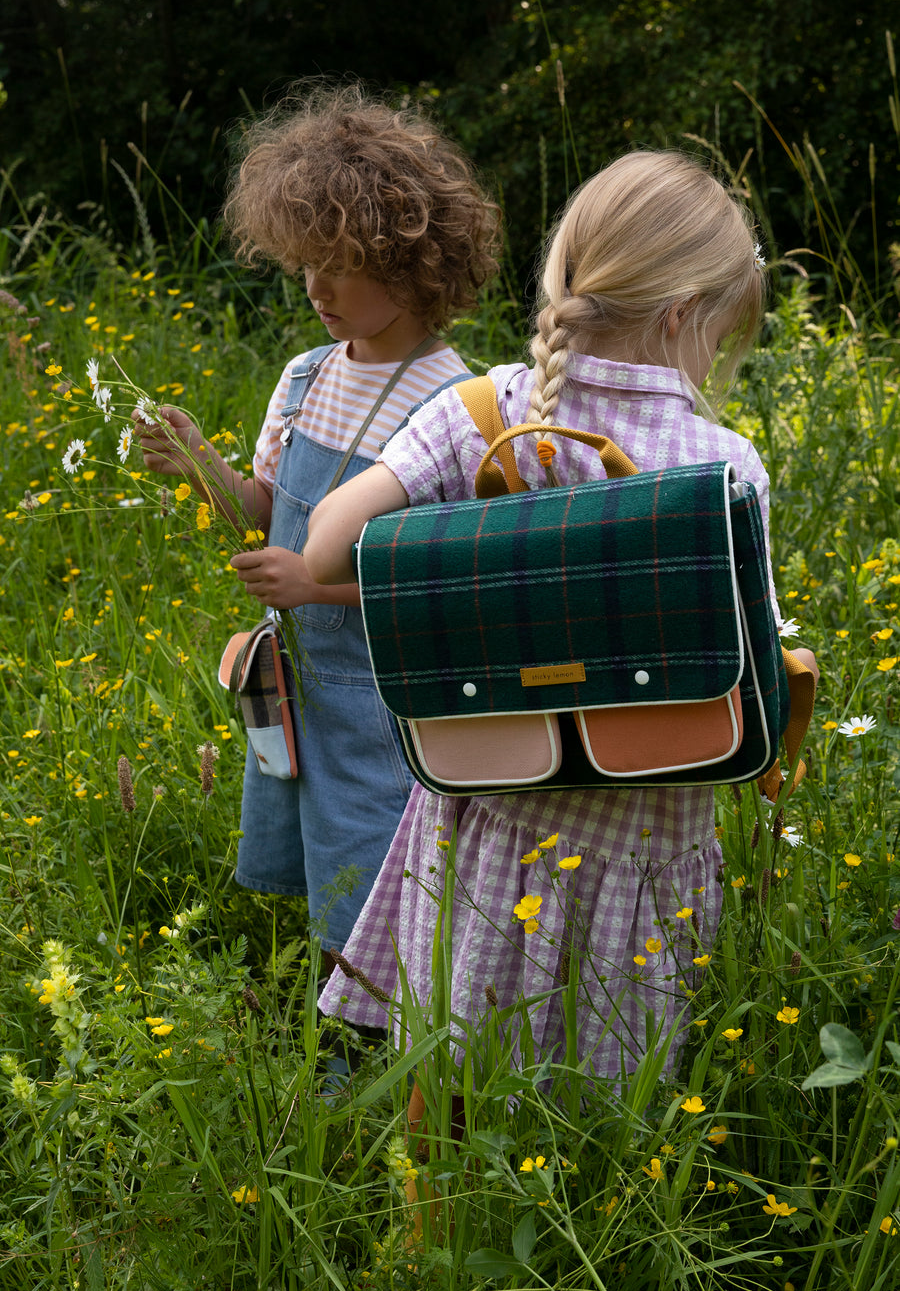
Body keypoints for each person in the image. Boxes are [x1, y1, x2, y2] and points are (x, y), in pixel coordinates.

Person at [305, 149, 817, 1080]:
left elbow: (326, 547)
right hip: (645, 832)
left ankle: (437, 1219)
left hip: (484, 812)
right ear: (682, 315)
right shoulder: (724, 467)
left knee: (456, 1086)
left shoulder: (478, 410)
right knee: (611, 1103)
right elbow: (744, 664)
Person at [137, 84, 501, 956]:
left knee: (384, 876)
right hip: (299, 686)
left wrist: (315, 586)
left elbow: (448, 583)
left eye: (340, 263)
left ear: (414, 263)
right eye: (304, 259)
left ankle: (378, 1045)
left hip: (387, 702)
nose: (314, 285)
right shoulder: (306, 376)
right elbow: (268, 506)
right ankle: (330, 1037)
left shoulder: (457, 403)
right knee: (320, 868)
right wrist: (205, 470)